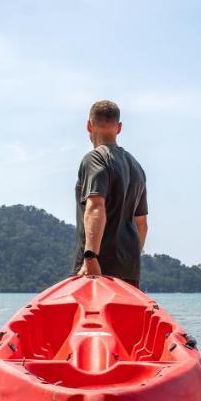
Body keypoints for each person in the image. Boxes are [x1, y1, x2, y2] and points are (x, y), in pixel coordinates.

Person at [73, 100, 148, 287]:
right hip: (129, 270)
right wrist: (128, 261)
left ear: (89, 125)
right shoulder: (136, 166)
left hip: (98, 268)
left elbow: (96, 206)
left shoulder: (95, 158)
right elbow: (142, 224)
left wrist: (90, 257)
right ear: (119, 127)